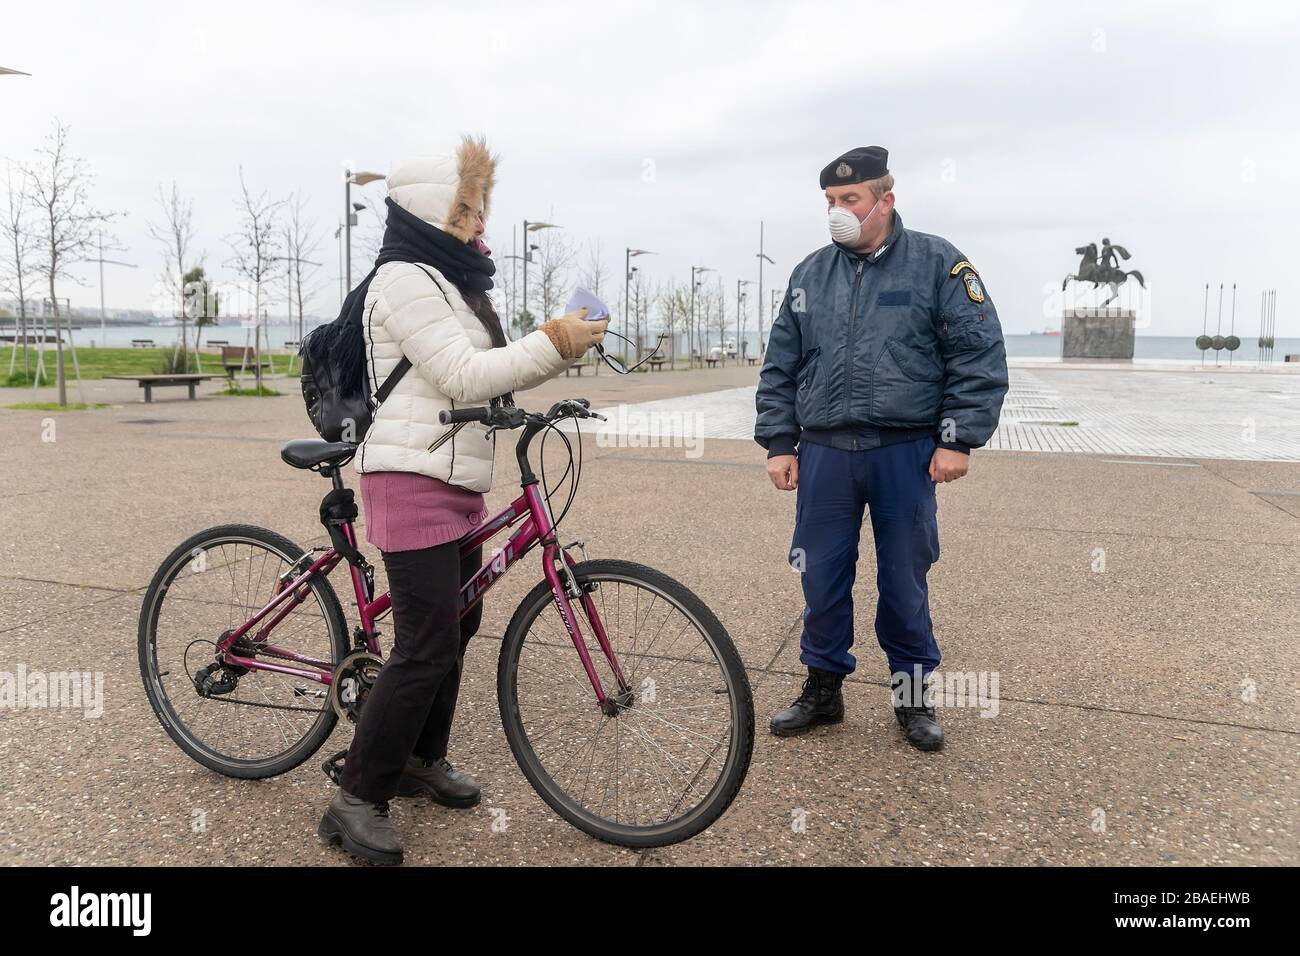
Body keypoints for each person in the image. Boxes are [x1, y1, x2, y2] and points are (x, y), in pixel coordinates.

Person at [317, 136, 607, 865]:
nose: (480, 229)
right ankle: (355, 797)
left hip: (455, 477)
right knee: (425, 643)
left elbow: (480, 376)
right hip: (409, 476)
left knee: (461, 622)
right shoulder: (405, 279)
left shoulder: (456, 282)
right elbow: (458, 371)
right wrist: (555, 342)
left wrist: (533, 383)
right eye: (466, 215)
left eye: (481, 213)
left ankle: (419, 758)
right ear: (426, 215)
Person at [755, 145, 1008, 752]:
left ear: (885, 200)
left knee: (904, 577)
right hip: (824, 452)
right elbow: (781, 362)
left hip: (905, 451)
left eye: (851, 200)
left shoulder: (937, 264)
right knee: (819, 576)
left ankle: (913, 699)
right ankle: (823, 689)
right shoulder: (809, 273)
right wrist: (778, 441)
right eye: (831, 202)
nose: (839, 211)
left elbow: (976, 353)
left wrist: (960, 437)